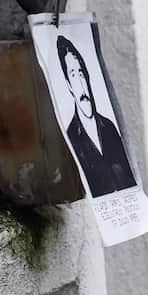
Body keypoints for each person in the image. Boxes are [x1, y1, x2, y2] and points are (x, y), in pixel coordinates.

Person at [56, 35, 137, 197]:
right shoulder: (70, 136)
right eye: (73, 75)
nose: (80, 83)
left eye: (81, 73)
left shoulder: (110, 128)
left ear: (87, 76)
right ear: (68, 85)